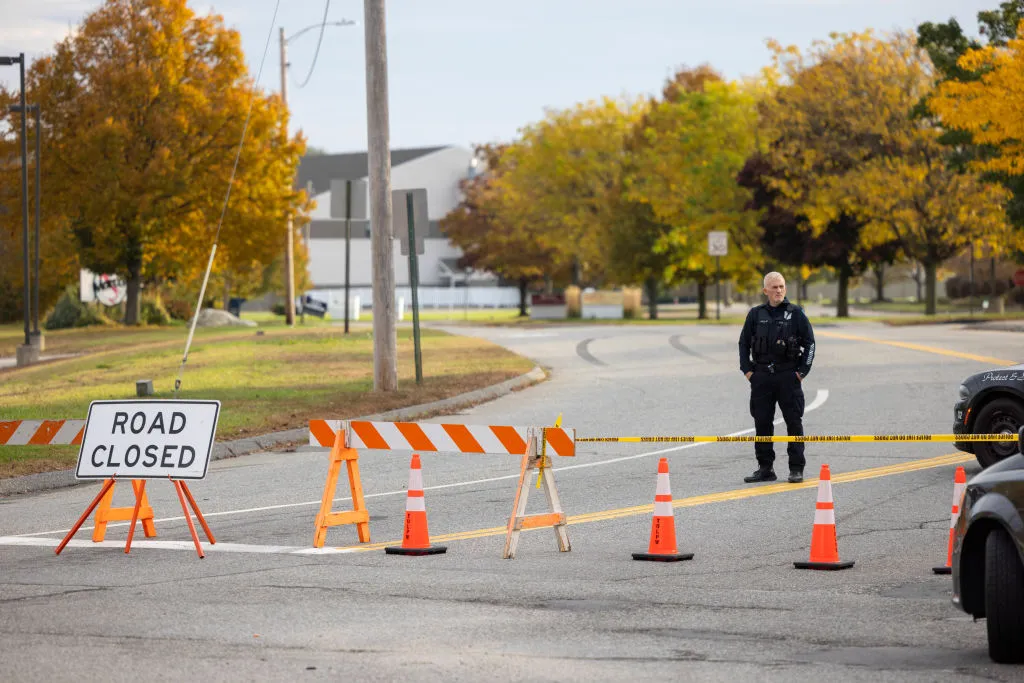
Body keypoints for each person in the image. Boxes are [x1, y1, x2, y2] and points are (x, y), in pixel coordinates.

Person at [738, 272, 815, 484]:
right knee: (762, 422)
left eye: (781, 286)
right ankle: (765, 468)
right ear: (765, 291)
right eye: (774, 287)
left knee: (793, 422)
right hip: (761, 377)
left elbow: (810, 343)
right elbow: (743, 343)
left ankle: (796, 468)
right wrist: (748, 371)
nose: (778, 290)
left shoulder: (796, 313)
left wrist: (801, 372)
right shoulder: (755, 314)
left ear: (785, 289)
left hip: (788, 376)